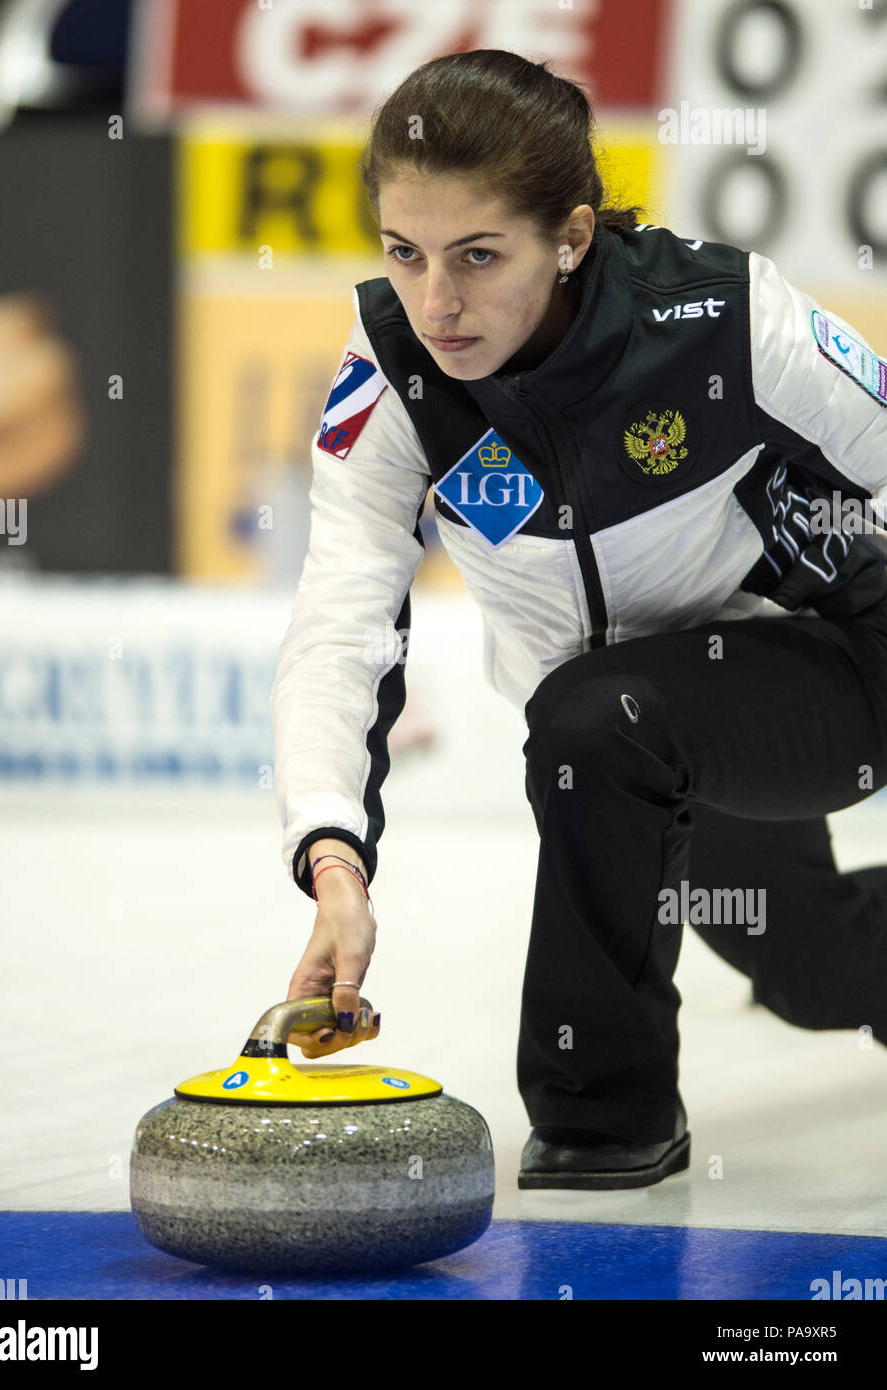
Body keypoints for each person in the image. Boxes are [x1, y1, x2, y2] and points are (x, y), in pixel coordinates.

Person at [270, 49, 887, 1190]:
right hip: (647, 742)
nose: (435, 303)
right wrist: (332, 855)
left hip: (842, 667)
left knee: (594, 723)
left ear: (572, 234)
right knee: (814, 974)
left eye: (477, 256)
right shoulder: (398, 377)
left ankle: (602, 1117)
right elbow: (339, 615)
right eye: (403, 254)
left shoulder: (720, 319)